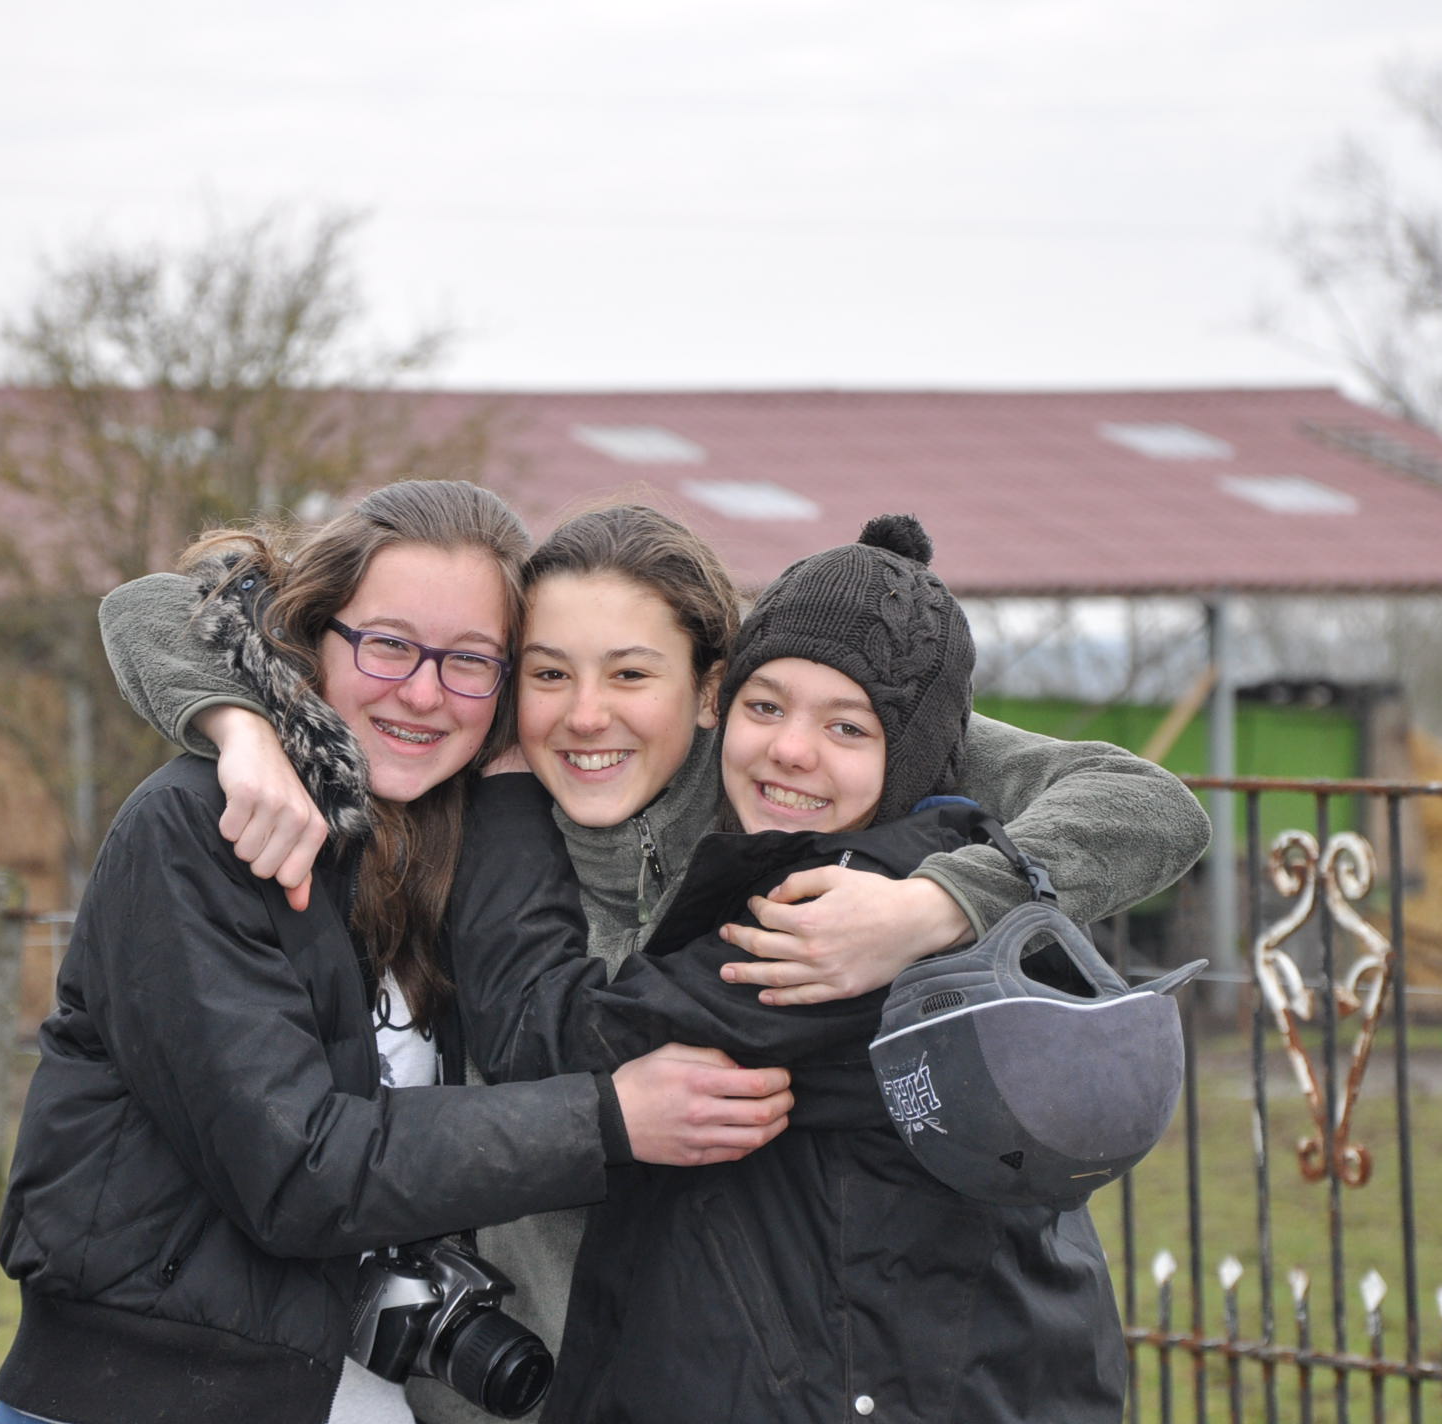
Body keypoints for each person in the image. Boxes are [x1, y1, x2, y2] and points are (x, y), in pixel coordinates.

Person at [98, 501, 1210, 1421]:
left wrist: (930, 902)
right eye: (547, 673)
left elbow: (1143, 800)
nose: (587, 715)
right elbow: (158, 605)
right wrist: (237, 726)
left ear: (707, 681)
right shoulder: (478, 746)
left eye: (632, 674)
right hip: (499, 1364)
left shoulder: (781, 749)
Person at [0, 482, 794, 1424]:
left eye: (470, 661)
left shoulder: (462, 831)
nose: (422, 691)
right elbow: (295, 1169)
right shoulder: (201, 828)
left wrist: (937, 899)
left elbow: (896, 719)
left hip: (373, 1396)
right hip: (147, 1394)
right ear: (315, 632)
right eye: (388, 644)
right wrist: (609, 1119)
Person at [447, 514, 1147, 1421]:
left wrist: (501, 791)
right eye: (767, 706)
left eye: (847, 728)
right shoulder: (856, 865)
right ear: (725, 707)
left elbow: (546, 1033)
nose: (789, 748)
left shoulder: (833, 918)